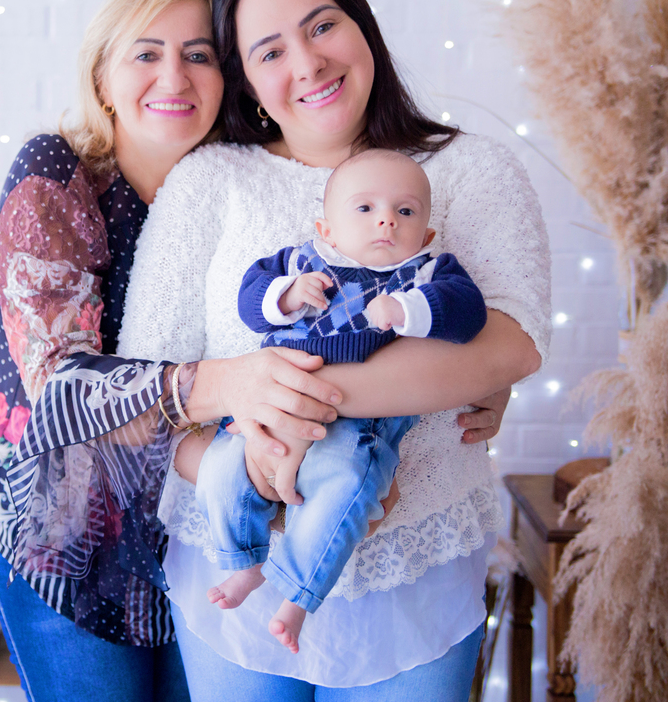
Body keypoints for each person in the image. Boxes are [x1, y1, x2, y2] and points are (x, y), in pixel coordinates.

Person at [116, 0, 550, 700]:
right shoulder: (210, 183)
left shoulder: (471, 170)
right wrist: (251, 459)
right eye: (270, 51)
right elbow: (139, 394)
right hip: (233, 579)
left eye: (322, 26)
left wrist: (288, 401)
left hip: (412, 569)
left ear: (363, 28)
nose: (308, 63)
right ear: (247, 80)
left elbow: (512, 343)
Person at [0, 0, 348, 702]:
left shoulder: (243, 182)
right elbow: (60, 386)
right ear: (103, 78)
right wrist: (227, 385)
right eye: (146, 53)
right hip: (69, 547)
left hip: (202, 536)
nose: (174, 76)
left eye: (199, 54)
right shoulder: (56, 173)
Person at [197, 149, 487, 654]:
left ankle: (299, 594)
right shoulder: (301, 261)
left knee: (345, 484)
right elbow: (250, 300)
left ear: (426, 235)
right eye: (365, 208)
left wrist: (408, 310)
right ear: (325, 229)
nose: (386, 220)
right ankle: (242, 560)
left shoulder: (426, 272)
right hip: (274, 404)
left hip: (363, 423)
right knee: (221, 467)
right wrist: (287, 295)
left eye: (405, 211)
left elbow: (469, 314)